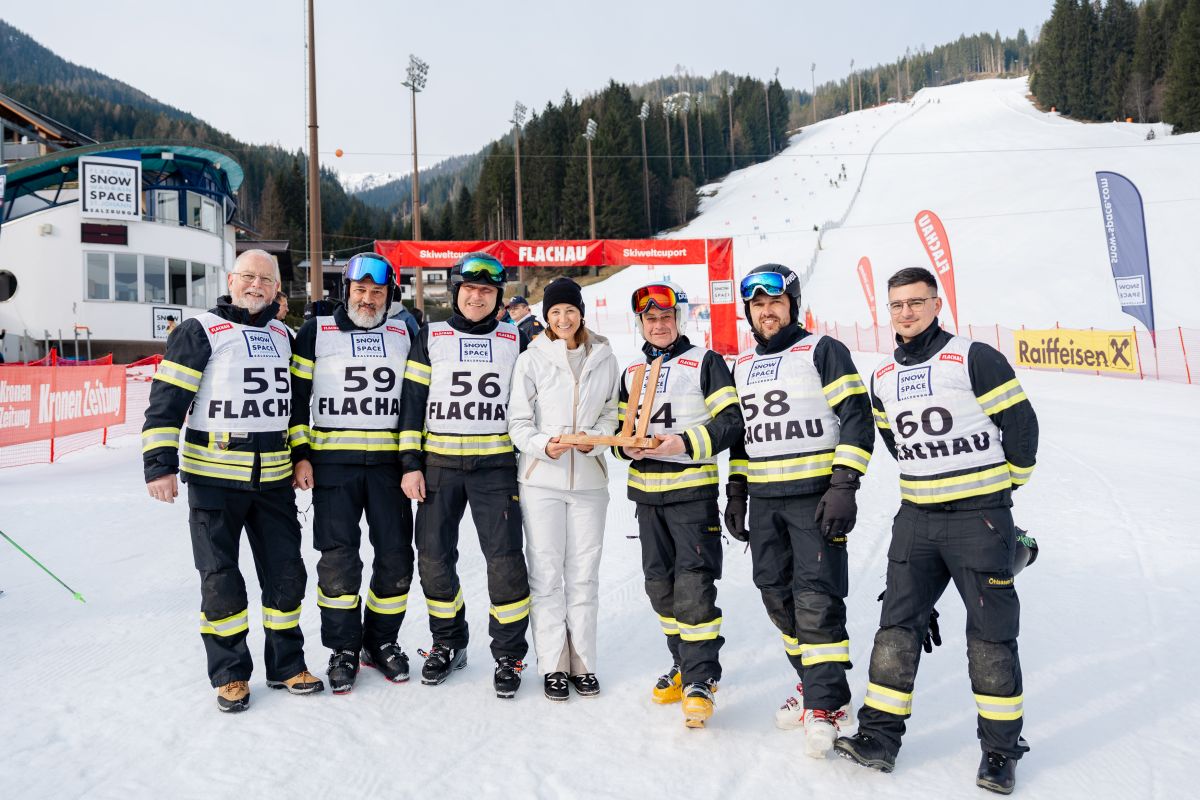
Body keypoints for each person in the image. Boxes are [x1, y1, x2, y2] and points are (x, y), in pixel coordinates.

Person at [834, 267, 1039, 795]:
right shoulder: (882, 376)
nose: (906, 312)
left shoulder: (973, 357)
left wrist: (1000, 490)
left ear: (936, 303)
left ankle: (1000, 752)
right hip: (917, 519)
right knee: (896, 629)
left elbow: (1021, 427)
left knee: (990, 638)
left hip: (979, 518)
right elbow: (893, 440)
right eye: (897, 304)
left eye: (916, 302)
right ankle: (878, 737)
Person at [141, 249, 323, 713]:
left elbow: (295, 407)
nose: (256, 285)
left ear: (277, 289)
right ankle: (230, 674)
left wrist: (301, 456)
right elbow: (166, 400)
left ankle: (287, 666)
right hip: (214, 480)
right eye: (248, 276)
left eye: (266, 279)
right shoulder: (200, 330)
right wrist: (159, 465)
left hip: (274, 481)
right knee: (221, 581)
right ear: (231, 280)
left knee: (286, 575)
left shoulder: (285, 336)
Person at [725, 264, 874, 757]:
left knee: (817, 600)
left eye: (775, 303)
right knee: (776, 595)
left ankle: (826, 706)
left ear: (793, 305)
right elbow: (743, 438)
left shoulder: (822, 350)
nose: (767, 312)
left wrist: (845, 483)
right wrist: (737, 491)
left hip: (815, 497)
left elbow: (856, 416)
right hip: (767, 501)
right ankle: (814, 686)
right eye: (758, 305)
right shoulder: (741, 365)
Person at [398, 252, 532, 698]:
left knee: (506, 563)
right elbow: (412, 402)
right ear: (456, 292)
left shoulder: (515, 338)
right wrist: (410, 463)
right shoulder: (431, 335)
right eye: (470, 289)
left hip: (495, 469)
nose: (477, 297)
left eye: (487, 290)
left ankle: (509, 653)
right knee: (434, 559)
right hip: (439, 467)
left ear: (498, 297)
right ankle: (448, 641)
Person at [613, 282, 743, 728]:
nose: (659, 325)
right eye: (650, 319)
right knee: (659, 588)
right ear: (640, 324)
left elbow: (732, 424)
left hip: (692, 495)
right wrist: (624, 449)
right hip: (647, 498)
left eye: (666, 317)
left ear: (679, 319)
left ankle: (701, 679)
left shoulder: (705, 362)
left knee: (693, 589)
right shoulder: (632, 372)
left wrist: (683, 442)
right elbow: (620, 432)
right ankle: (683, 663)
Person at [288, 252, 416, 694]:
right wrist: (301, 453)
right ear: (346, 290)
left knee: (396, 558)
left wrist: (413, 461)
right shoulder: (316, 330)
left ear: (389, 295)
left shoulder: (405, 330)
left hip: (388, 468)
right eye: (360, 290)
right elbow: (296, 397)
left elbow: (417, 399)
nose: (368, 299)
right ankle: (343, 647)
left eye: (377, 292)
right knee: (338, 562)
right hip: (333, 467)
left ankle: (380, 641)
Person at [507, 278, 619, 701]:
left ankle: (583, 662)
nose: (563, 318)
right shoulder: (531, 358)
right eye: (555, 312)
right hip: (542, 481)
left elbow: (612, 411)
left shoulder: (604, 356)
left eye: (570, 310)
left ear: (581, 312)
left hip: (589, 480)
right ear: (546, 316)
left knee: (584, 575)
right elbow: (519, 422)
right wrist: (542, 445)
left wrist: (596, 439)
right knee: (546, 574)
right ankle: (553, 663)